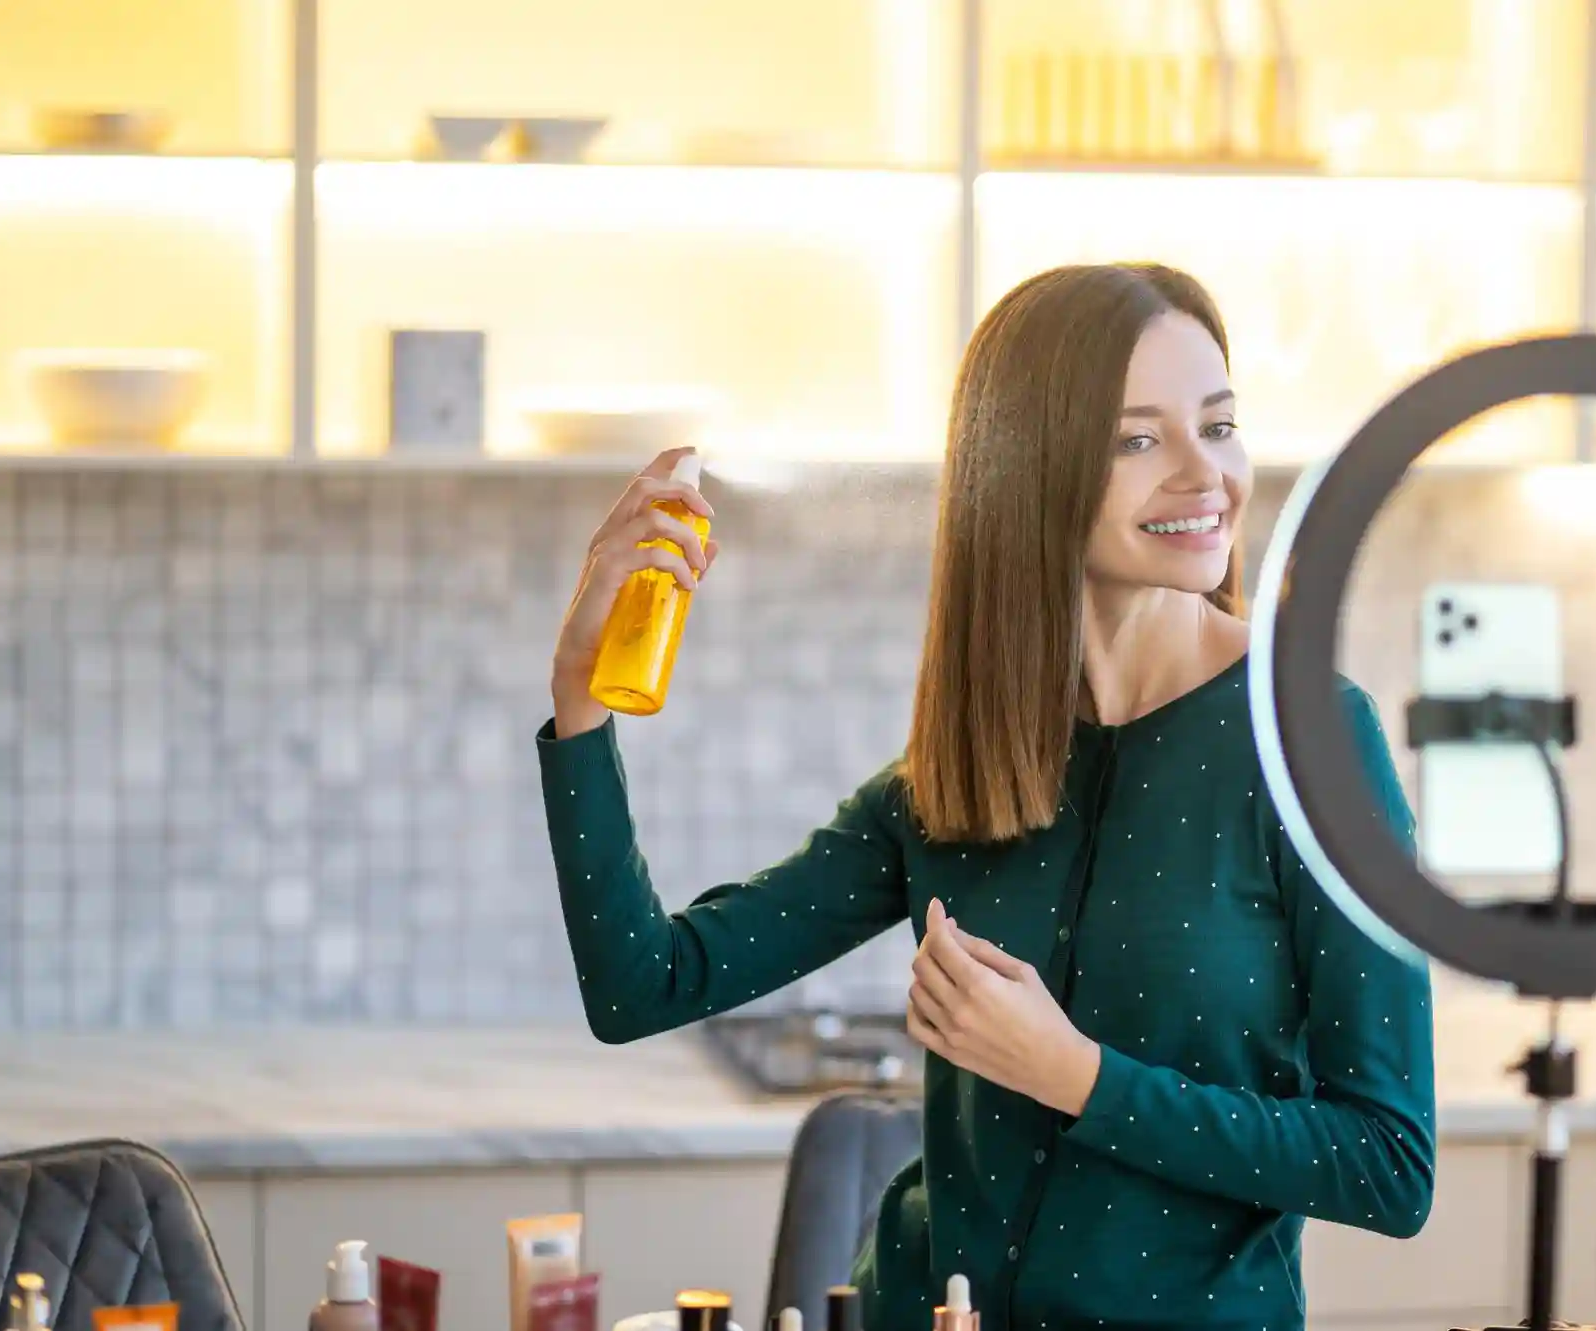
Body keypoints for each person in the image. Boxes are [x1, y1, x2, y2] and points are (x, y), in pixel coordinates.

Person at [538, 263, 1435, 1331]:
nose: (1208, 475)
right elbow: (643, 984)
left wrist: (1078, 1076)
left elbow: (1388, 1163)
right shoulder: (968, 759)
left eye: (1220, 424)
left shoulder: (1310, 740)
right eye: (1136, 439)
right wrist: (578, 703)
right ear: (1027, 471)